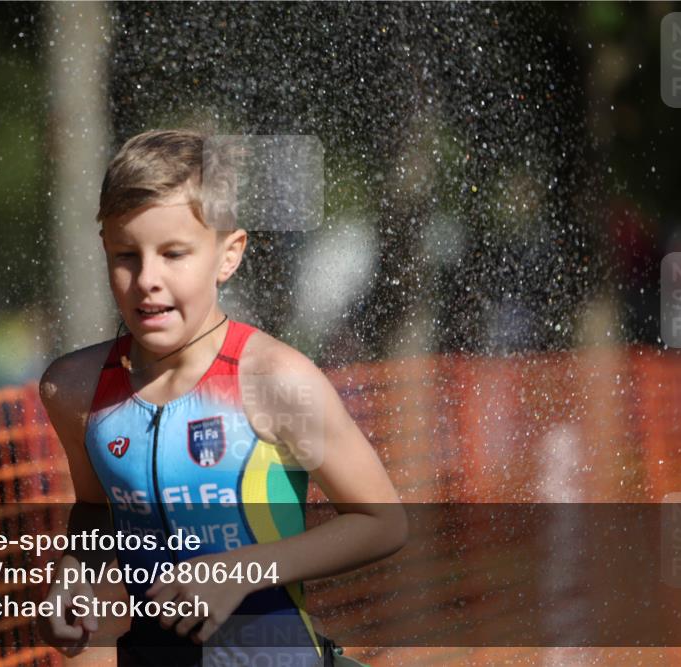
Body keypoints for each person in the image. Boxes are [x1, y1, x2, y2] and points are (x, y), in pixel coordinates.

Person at [38, 129, 407, 666]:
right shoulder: (75, 390)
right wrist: (73, 575)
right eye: (126, 255)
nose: (148, 280)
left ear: (227, 254)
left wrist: (234, 572)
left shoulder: (275, 379)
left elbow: (384, 522)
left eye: (174, 254)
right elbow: (97, 510)